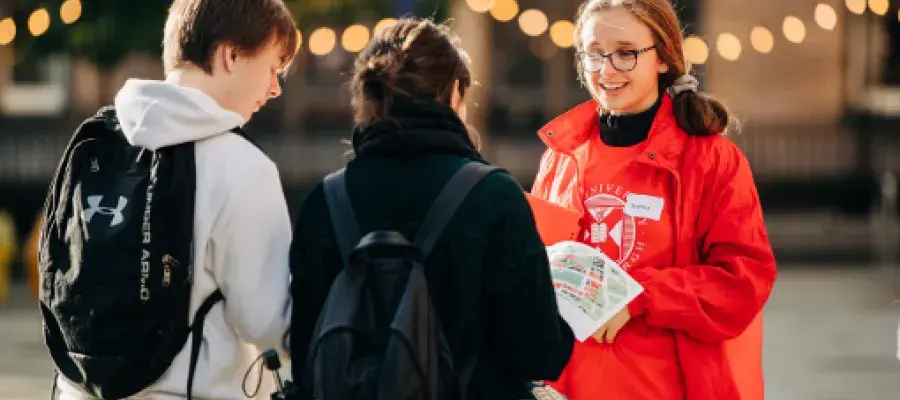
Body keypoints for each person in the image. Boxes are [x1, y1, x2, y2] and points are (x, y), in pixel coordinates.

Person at [287, 17, 574, 399]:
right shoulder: (494, 197)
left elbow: (306, 350)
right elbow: (539, 353)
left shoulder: (324, 202)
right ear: (455, 93)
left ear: (365, 98)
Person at [529, 0, 778, 399]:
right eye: (593, 54)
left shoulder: (711, 160)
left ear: (663, 58)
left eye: (625, 53)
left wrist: (637, 298)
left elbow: (743, 281)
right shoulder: (561, 157)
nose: (606, 69)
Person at [49, 0, 298, 398]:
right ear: (231, 55)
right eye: (272, 67)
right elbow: (269, 324)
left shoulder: (97, 143)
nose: (274, 88)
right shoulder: (244, 167)